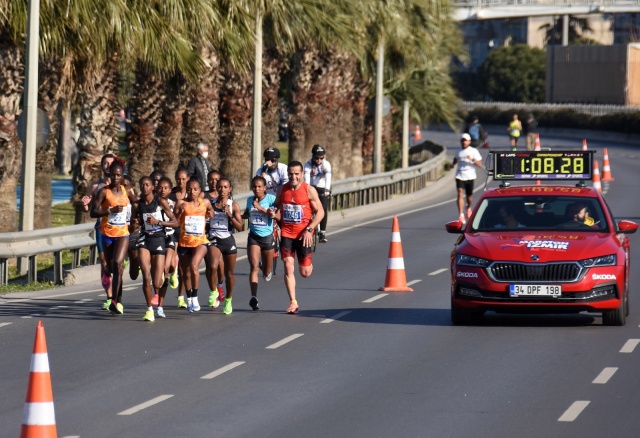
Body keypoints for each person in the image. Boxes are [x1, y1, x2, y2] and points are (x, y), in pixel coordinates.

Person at [274, 161, 324, 314]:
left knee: (305, 272)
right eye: (290, 174)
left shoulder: (309, 190)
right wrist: (274, 219)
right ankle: (293, 302)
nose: (293, 177)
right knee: (288, 266)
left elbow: (321, 212)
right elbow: (277, 208)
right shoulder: (282, 189)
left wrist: (310, 229)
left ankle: (308, 263)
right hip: (287, 234)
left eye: (296, 174)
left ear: (302, 174)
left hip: (304, 235)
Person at [90, 159, 138, 314]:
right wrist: (109, 211)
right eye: (113, 175)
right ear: (109, 175)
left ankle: (116, 301)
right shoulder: (104, 191)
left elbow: (136, 204)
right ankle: (107, 274)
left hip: (123, 233)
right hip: (107, 234)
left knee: (118, 264)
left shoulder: (127, 191)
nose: (116, 178)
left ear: (122, 176)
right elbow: (93, 212)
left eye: (118, 175)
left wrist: (136, 219)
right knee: (111, 268)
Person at [133, 176, 179, 321]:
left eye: (147, 184)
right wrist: (134, 225)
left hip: (159, 240)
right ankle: (149, 310)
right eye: (142, 185)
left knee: (157, 281)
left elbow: (176, 222)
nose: (144, 187)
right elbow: (133, 224)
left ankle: (159, 303)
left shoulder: (160, 202)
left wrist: (158, 222)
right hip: (145, 240)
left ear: (153, 187)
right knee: (146, 277)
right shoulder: (138, 205)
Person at [172, 179, 215, 313]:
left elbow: (211, 211)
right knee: (185, 273)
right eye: (189, 189)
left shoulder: (205, 202)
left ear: (200, 191)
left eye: (195, 189)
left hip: (200, 241)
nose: (192, 192)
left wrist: (210, 214)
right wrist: (180, 212)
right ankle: (189, 296)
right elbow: (174, 222)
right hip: (185, 242)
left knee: (194, 266)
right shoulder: (180, 203)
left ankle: (195, 296)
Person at [81, 153, 115, 309]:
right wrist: (85, 204)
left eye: (110, 163)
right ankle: (109, 297)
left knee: (116, 262)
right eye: (105, 163)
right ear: (102, 166)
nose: (108, 166)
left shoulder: (122, 186)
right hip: (101, 228)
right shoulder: (95, 186)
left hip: (118, 229)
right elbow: (89, 207)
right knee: (104, 261)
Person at [206, 178, 243, 314]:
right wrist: (207, 216)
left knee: (229, 274)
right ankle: (214, 291)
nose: (222, 190)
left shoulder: (233, 205)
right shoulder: (210, 204)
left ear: (230, 189)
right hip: (214, 238)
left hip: (228, 240)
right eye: (220, 187)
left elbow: (240, 227)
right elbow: (204, 220)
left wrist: (230, 215)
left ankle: (228, 299)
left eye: (225, 187)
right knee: (213, 265)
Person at [243, 176, 280, 311]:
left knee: (266, 273)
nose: (256, 189)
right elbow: (247, 214)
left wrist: (261, 208)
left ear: (265, 188)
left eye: (259, 186)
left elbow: (276, 215)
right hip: (254, 237)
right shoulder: (249, 200)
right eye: (254, 187)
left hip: (267, 238)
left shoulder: (271, 199)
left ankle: (265, 268)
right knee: (253, 266)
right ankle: (254, 297)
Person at [156, 176, 181, 307]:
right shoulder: (152, 203)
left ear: (170, 190)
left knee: (167, 267)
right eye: (160, 187)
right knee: (160, 270)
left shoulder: (172, 203)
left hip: (170, 236)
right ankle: (158, 301)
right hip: (156, 238)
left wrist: (161, 223)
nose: (163, 190)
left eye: (166, 188)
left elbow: (176, 221)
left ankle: (174, 268)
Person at [303, 144, 332, 243]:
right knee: (308, 207)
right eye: (316, 158)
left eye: (321, 158)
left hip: (322, 188)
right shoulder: (308, 165)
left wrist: (327, 190)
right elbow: (306, 179)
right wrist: (306, 190)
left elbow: (328, 178)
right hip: (311, 187)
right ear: (313, 156)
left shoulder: (326, 164)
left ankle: (322, 232)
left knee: (323, 208)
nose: (319, 160)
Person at [453, 133, 483, 225]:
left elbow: (480, 164)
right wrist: (451, 165)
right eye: (462, 140)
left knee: (469, 197)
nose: (464, 142)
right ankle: (461, 215)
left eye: (465, 140)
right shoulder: (458, 151)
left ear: (469, 141)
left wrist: (472, 160)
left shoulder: (473, 151)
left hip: (470, 176)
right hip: (459, 175)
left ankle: (468, 207)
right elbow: (455, 160)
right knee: (459, 193)